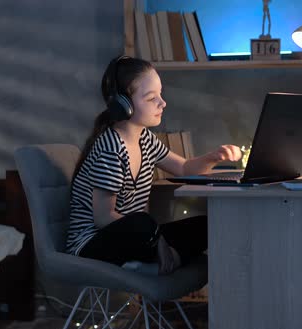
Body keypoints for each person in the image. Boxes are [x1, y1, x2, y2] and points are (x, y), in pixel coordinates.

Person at [65, 55, 242, 275]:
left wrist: (215, 157)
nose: (162, 103)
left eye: (160, 94)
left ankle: (158, 265)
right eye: (151, 98)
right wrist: (157, 238)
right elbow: (103, 217)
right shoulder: (111, 149)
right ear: (123, 104)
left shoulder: (145, 139)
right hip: (93, 244)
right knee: (143, 224)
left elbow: (185, 169)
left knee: (207, 225)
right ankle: (159, 260)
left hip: (136, 237)